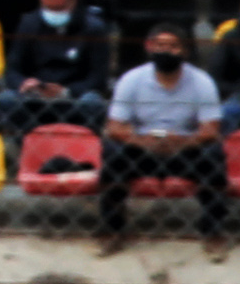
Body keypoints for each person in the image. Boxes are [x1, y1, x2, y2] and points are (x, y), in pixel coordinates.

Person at [97, 17, 228, 248]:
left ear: (185, 51)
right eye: (159, 46)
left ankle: (212, 232)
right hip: (142, 149)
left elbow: (211, 130)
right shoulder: (131, 79)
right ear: (149, 47)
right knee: (113, 153)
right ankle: (112, 229)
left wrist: (182, 142)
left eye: (173, 46)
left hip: (185, 149)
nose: (165, 51)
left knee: (214, 156)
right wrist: (142, 141)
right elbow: (115, 126)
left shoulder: (202, 82)